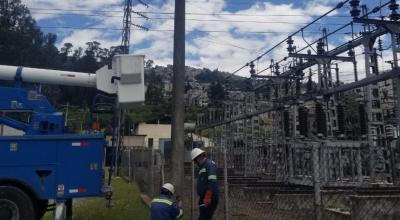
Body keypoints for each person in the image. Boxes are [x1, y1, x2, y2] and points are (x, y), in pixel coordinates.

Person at [191, 148, 219, 220]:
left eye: (195, 160)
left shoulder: (209, 165)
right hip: (204, 197)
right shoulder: (203, 167)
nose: (195, 163)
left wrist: (208, 196)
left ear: (198, 158)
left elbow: (212, 181)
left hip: (209, 197)